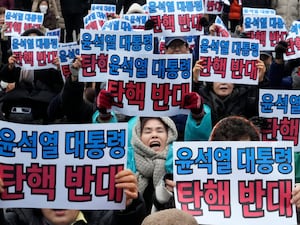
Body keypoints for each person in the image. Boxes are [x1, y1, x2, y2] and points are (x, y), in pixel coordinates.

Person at [0, 169, 147, 225]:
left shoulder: (103, 219)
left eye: (68, 186)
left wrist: (128, 206)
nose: (59, 201)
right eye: (50, 190)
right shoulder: (17, 219)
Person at [0, 28, 64, 124]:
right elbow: (5, 77)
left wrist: (60, 68)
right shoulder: (17, 61)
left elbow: (60, 83)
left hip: (44, 100)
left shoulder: (50, 62)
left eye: (36, 41)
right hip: (20, 98)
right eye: (29, 41)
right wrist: (10, 67)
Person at [192, 58, 267, 127]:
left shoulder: (245, 98)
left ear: (235, 83)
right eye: (218, 78)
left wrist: (260, 82)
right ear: (211, 83)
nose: (223, 82)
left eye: (228, 78)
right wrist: (195, 81)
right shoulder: (200, 98)